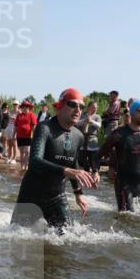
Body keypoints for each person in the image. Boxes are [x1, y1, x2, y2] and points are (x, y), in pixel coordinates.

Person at [11, 88, 98, 232]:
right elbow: (35, 161)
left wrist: (78, 193)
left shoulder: (78, 136)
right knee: (18, 239)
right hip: (31, 196)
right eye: (73, 104)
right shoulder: (44, 128)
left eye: (81, 106)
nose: (78, 109)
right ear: (61, 105)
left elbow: (74, 164)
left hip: (57, 196)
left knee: (67, 239)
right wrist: (65, 170)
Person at [101, 100, 140, 212]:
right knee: (126, 215)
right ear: (132, 113)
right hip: (123, 182)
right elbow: (106, 152)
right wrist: (109, 168)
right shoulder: (119, 133)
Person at [77, 100, 103, 173]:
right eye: (93, 107)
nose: (95, 109)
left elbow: (99, 125)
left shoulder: (97, 116)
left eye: (96, 107)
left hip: (92, 140)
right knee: (82, 160)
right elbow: (77, 123)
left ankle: (95, 174)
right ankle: (85, 173)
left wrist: (92, 121)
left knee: (93, 161)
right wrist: (85, 120)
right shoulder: (82, 115)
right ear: (88, 107)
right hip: (83, 139)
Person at [14, 101, 38, 170]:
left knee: (27, 151)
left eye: (27, 107)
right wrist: (13, 135)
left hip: (28, 136)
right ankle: (22, 166)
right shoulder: (19, 115)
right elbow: (15, 126)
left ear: (29, 108)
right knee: (21, 152)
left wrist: (34, 136)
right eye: (24, 107)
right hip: (19, 136)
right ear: (22, 108)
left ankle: (26, 166)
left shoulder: (32, 115)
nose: (25, 108)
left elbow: (34, 126)